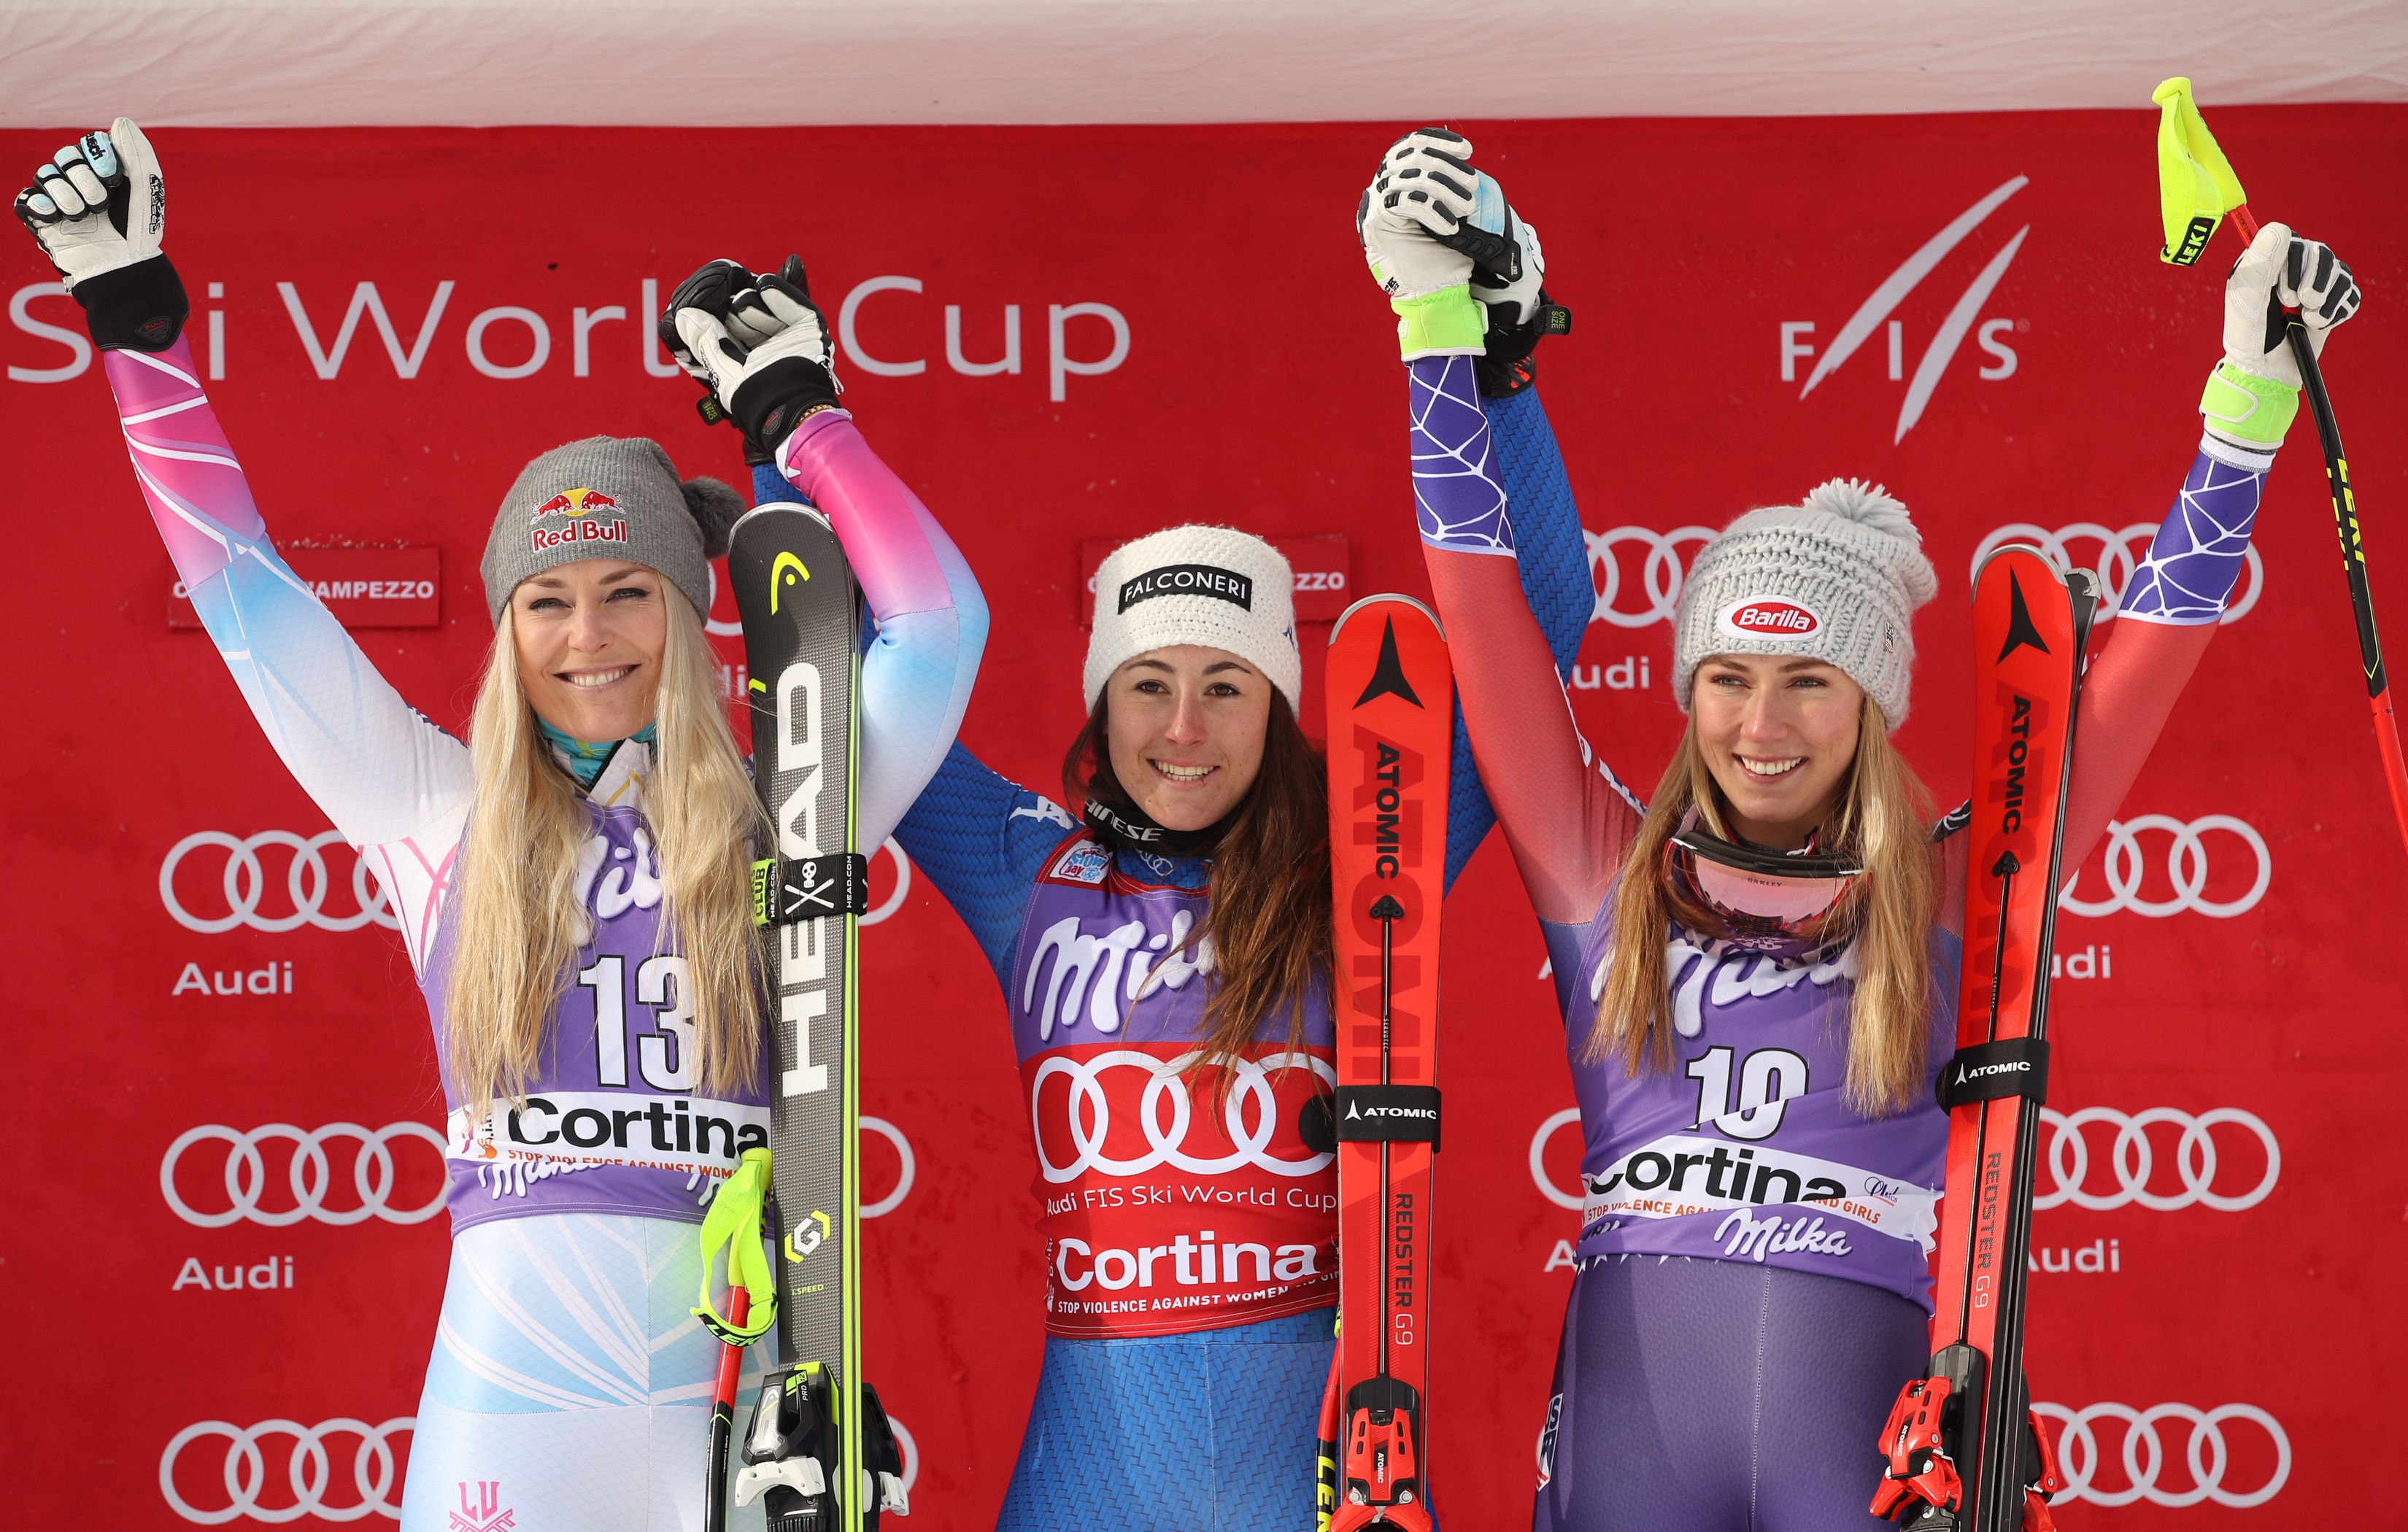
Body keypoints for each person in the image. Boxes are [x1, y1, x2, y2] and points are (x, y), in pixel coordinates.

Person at [1357, 129, 2358, 1529]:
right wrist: (1434, 325)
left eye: (1808, 682)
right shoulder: (1607, 865)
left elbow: (2137, 666)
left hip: (1861, 1417)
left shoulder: (1954, 885)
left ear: (1873, 699)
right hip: (1633, 1433)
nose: (1761, 725)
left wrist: (2250, 402)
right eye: (1729, 679)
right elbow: (1476, 608)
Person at [17, 122, 986, 1532]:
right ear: (506, 626)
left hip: (738, 1363)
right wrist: (134, 322)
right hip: (513, 1387)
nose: (587, 635)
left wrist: (796, 416)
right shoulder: (431, 804)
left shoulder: (800, 794)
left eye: (629, 590)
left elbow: (941, 624)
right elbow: (244, 592)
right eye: (548, 600)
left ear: (691, 609)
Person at [672, 207, 1589, 1526]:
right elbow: (835, 655)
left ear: (1278, 710)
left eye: (1227, 688)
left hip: (1326, 1468)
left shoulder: (1370, 854)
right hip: (1090, 1470)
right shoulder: (1024, 869)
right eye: (1148, 686)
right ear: (1103, 708)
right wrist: (789, 432)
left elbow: (1534, 637)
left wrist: (1494, 368)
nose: (1183, 727)